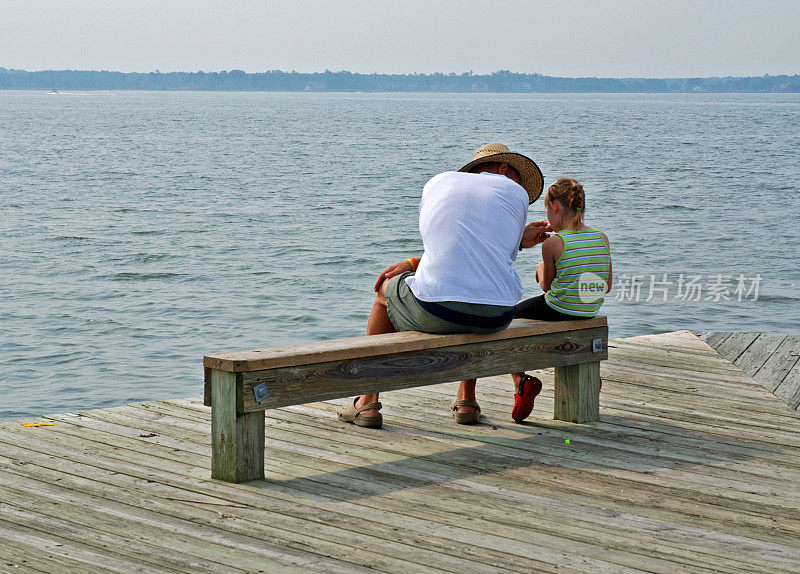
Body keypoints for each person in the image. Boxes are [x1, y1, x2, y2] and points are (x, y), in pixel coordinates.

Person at [338, 143, 550, 428]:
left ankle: (367, 403)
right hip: (497, 316)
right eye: (517, 177)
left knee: (384, 290)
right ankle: (466, 402)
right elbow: (483, 255)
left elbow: (448, 245)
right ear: (503, 169)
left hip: (438, 312)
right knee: (477, 289)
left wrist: (414, 264)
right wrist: (518, 240)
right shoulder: (516, 193)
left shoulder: (439, 182)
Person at [510, 177, 613, 423]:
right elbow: (606, 286)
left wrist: (539, 267)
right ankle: (589, 376)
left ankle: (521, 382)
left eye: (547, 209)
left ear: (555, 207)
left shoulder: (555, 243)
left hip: (558, 308)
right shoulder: (602, 238)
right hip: (587, 311)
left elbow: (546, 287)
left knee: (509, 316)